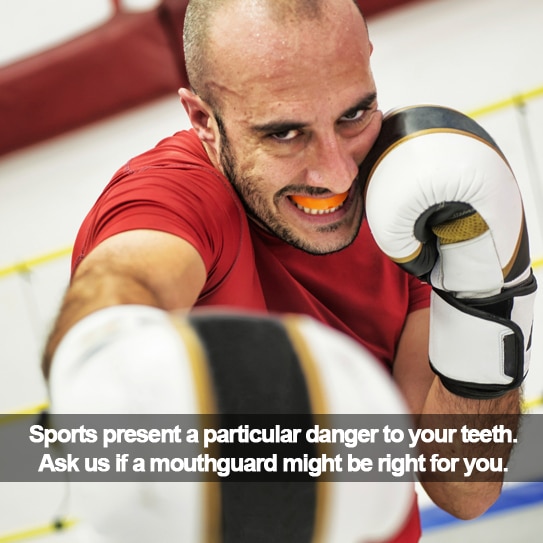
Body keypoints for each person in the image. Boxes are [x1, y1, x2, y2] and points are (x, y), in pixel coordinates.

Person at [42, 0, 536, 541]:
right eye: (284, 134)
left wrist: (488, 300)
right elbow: (128, 276)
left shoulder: (407, 194)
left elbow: (463, 486)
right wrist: (97, 354)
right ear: (204, 120)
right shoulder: (176, 195)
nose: (338, 173)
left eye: (353, 115)